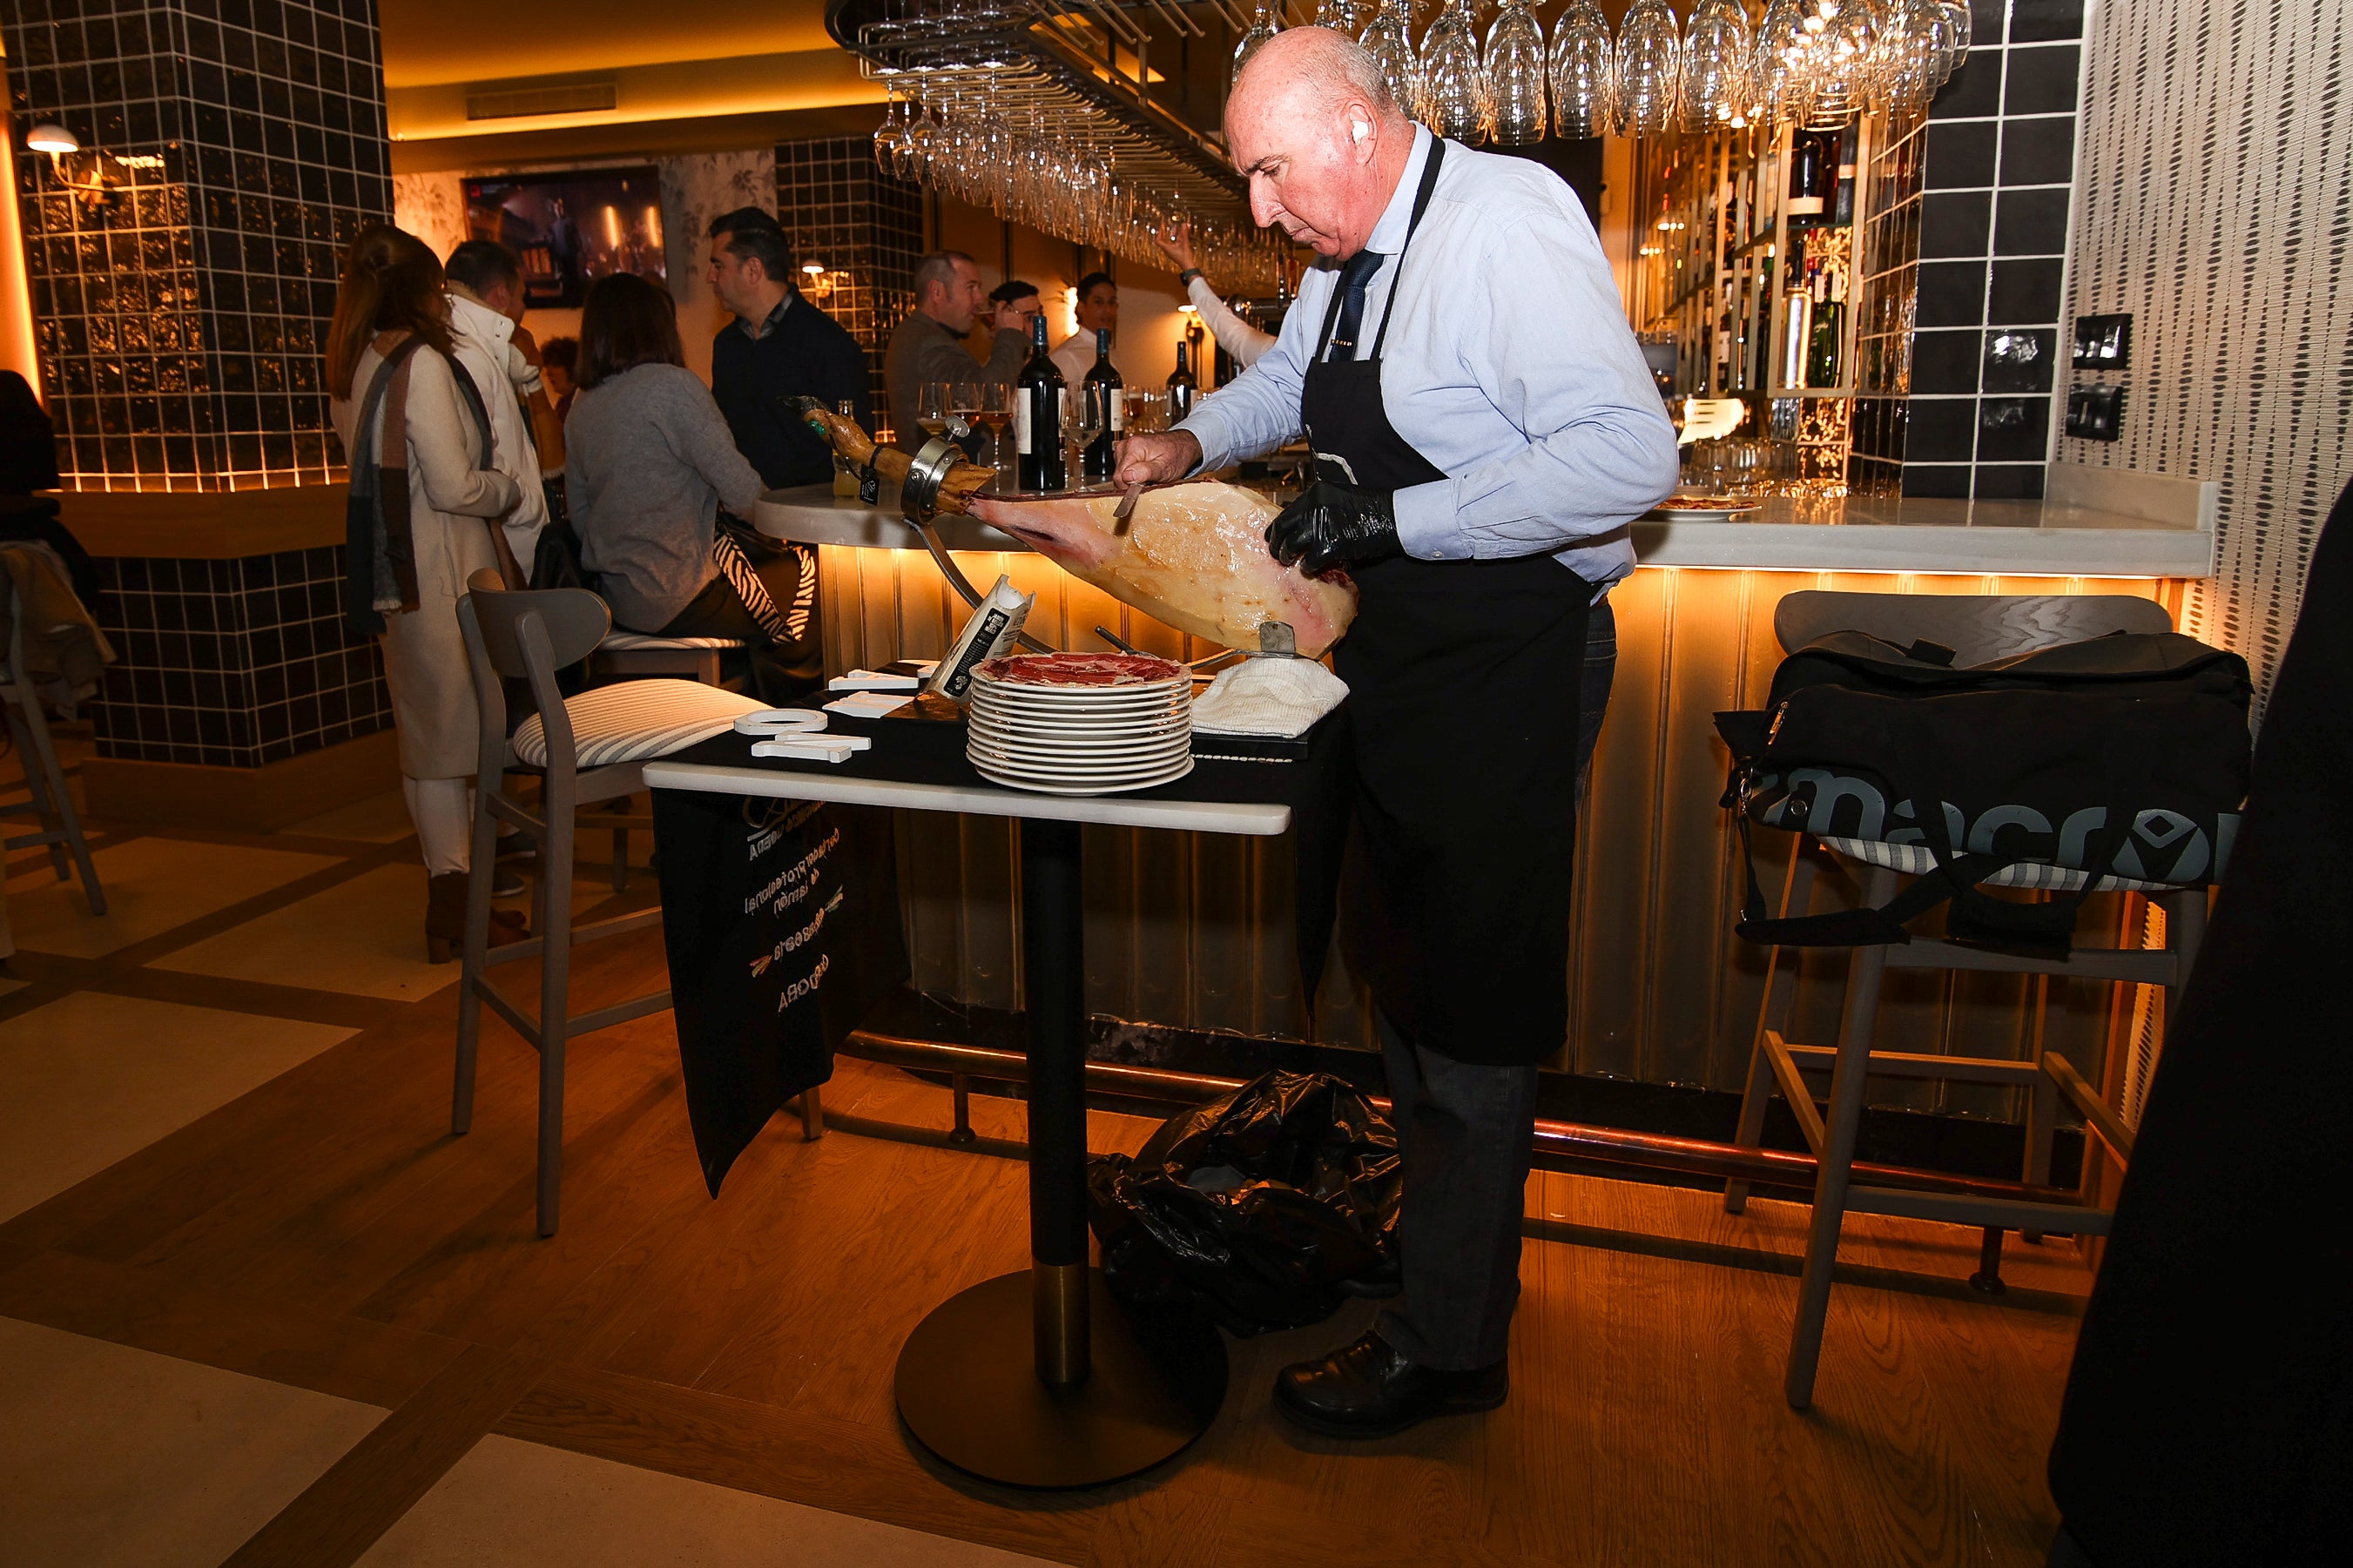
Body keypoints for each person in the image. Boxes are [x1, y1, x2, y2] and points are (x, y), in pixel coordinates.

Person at [1115, 28, 1678, 1440]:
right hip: (1401, 664)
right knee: (1410, 982)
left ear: (1355, 129)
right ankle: (1448, 1274)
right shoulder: (1345, 260)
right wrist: (1192, 442)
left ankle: (1451, 1351)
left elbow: (1629, 457)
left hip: (1505, 662)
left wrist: (1387, 520)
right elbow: (1294, 389)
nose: (1257, 208)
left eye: (1266, 170)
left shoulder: (1502, 226)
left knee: (1471, 1005)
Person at [327, 224, 529, 963]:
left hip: (393, 574)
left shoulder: (352, 364)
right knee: (450, 745)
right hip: (442, 574)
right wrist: (504, 487)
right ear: (421, 290)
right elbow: (452, 483)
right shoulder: (422, 364)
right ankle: (458, 908)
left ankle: (457, 902)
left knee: (426, 743)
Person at [563, 273, 819, 703]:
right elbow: (743, 493)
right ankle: (790, 717)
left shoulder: (582, 405)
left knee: (775, 594)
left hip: (619, 599)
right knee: (817, 585)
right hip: (683, 594)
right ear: (658, 324)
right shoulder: (672, 387)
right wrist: (788, 526)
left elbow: (580, 517)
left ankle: (744, 703)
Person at [705, 207, 870, 488]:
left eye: (718, 265)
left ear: (753, 269)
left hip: (812, 523)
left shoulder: (827, 343)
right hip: (745, 520)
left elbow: (862, 453)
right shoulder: (727, 345)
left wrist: (864, 523)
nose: (710, 276)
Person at [442, 239, 558, 569]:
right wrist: (528, 504)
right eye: (522, 295)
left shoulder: (474, 345)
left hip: (508, 533)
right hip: (508, 541)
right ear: (502, 295)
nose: (523, 308)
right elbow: (483, 454)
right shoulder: (470, 353)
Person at [883, 251, 1031, 452]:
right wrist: (1011, 335)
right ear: (936, 291)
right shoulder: (928, 341)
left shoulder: (922, 333)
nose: (980, 299)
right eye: (971, 288)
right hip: (939, 476)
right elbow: (987, 395)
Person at [1151, 220, 1278, 369]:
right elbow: (1236, 336)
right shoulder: (1288, 354)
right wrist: (1189, 269)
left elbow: (1236, 338)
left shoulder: (1292, 358)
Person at [1049, 270, 1120, 386]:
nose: (1107, 310)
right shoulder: (1067, 355)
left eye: (1112, 303)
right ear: (1081, 307)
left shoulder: (1113, 353)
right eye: (1099, 302)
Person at [540, 336, 578, 424]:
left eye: (555, 365)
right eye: (547, 367)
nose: (548, 373)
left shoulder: (580, 402)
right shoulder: (562, 405)